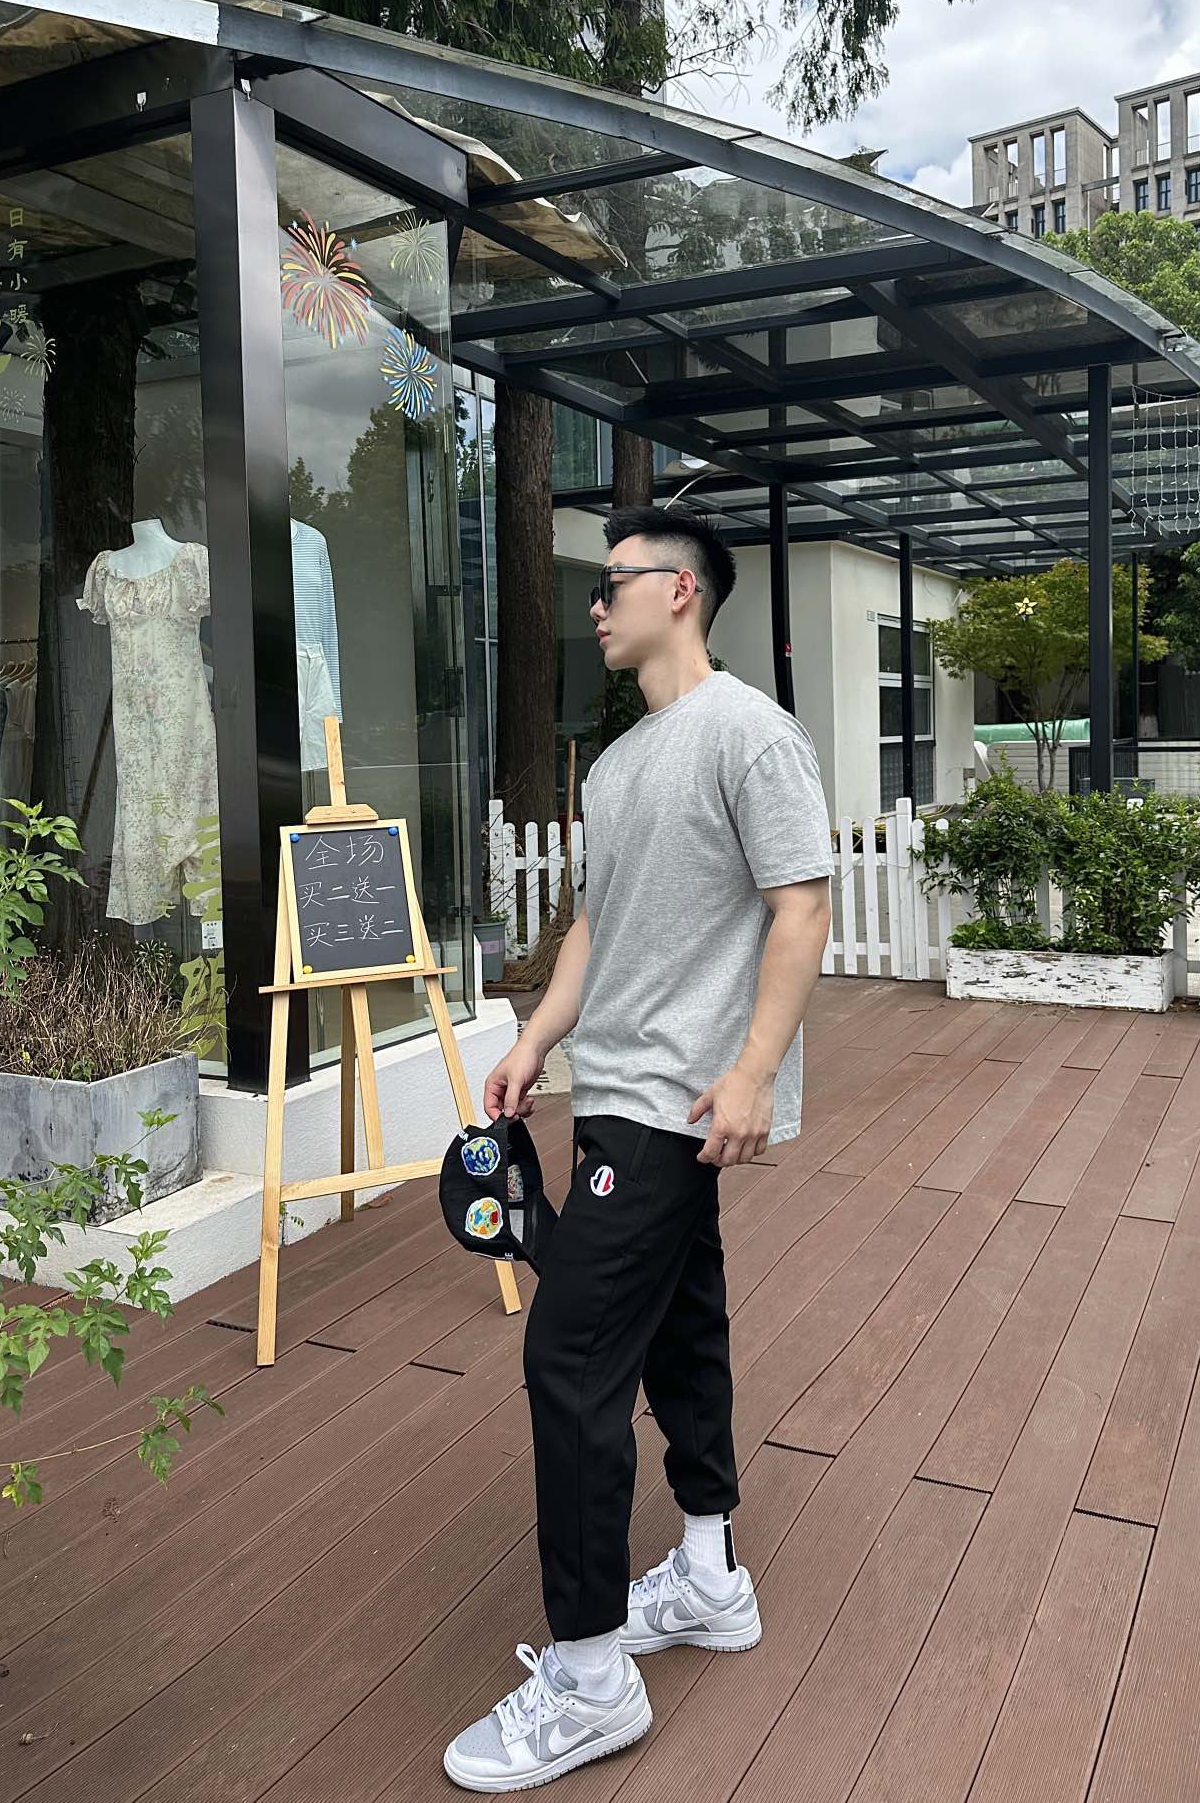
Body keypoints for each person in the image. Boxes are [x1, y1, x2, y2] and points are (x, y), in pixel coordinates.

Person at [444, 505, 832, 1791]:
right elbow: (595, 929)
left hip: (681, 1100)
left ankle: (591, 1673)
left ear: (681, 592)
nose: (595, 605)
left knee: (568, 1360)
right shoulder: (616, 769)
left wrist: (753, 1073)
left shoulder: (749, 734)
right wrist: (534, 1040)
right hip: (612, 1090)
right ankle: (711, 1574)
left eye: (613, 583)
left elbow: (801, 904)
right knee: (680, 1329)